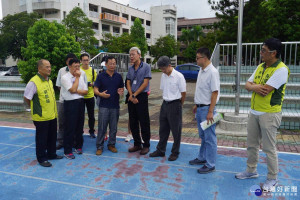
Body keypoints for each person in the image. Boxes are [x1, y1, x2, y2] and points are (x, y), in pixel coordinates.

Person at [235, 38, 289, 191]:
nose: (261, 53)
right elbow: (247, 84)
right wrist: (254, 87)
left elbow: (266, 90)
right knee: (251, 145)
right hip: (254, 112)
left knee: (269, 148)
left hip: (269, 114)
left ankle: (272, 178)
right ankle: (251, 170)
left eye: (264, 50)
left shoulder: (281, 69)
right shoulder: (260, 66)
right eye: (261, 49)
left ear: (274, 53)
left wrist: (253, 86)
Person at [24, 59, 63, 167]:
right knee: (42, 139)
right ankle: (41, 158)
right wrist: (35, 109)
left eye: (50, 66)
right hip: (41, 117)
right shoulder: (33, 82)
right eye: (47, 67)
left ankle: (51, 154)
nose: (49, 69)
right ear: (39, 68)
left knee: (52, 137)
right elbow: (27, 98)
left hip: (52, 115)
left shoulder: (49, 81)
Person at [189, 47, 220, 174]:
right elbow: (202, 90)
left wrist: (210, 111)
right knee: (203, 136)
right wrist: (197, 104)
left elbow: (214, 92)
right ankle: (202, 158)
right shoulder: (201, 71)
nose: (196, 60)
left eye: (197, 58)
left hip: (208, 109)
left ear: (205, 58)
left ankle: (210, 164)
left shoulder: (212, 72)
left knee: (210, 137)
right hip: (201, 108)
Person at [149, 56, 186, 161]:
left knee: (176, 130)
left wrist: (179, 105)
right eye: (161, 69)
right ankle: (161, 150)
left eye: (164, 68)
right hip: (164, 104)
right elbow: (164, 90)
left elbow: (183, 93)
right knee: (163, 129)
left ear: (170, 65)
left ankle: (175, 152)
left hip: (175, 104)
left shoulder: (179, 76)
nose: (162, 71)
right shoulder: (163, 76)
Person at [94, 56, 124, 155]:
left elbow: (121, 89)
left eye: (114, 63)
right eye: (110, 63)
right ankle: (99, 146)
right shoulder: (101, 76)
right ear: (106, 65)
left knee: (113, 127)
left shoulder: (119, 76)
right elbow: (95, 89)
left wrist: (121, 92)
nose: (112, 65)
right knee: (102, 127)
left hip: (115, 105)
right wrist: (100, 94)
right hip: (104, 106)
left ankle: (111, 144)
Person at [61, 58, 88, 159]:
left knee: (79, 126)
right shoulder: (65, 77)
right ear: (69, 67)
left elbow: (85, 91)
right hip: (70, 104)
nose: (77, 69)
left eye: (78, 66)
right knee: (69, 127)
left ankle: (78, 146)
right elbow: (72, 90)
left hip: (80, 103)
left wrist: (76, 90)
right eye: (75, 67)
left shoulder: (81, 76)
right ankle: (67, 150)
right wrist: (76, 79)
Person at [126, 47, 152, 155]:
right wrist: (131, 95)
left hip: (141, 96)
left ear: (139, 55)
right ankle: (137, 144)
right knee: (133, 121)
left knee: (144, 121)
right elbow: (127, 82)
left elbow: (145, 83)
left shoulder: (146, 67)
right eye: (130, 55)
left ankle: (146, 144)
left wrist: (134, 95)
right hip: (132, 96)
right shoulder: (130, 68)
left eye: (133, 54)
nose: (131, 57)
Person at [56, 53, 78, 150]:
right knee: (61, 122)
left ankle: (72, 141)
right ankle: (61, 141)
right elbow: (59, 85)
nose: (71, 62)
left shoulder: (78, 72)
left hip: (74, 101)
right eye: (69, 60)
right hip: (63, 101)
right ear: (66, 62)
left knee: (73, 122)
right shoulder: (61, 71)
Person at [80, 53, 97, 138]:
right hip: (80, 96)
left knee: (91, 115)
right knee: (80, 115)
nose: (86, 62)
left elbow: (96, 82)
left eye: (87, 60)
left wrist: (92, 84)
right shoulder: (78, 70)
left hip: (90, 96)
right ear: (81, 61)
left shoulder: (93, 70)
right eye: (84, 60)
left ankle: (92, 131)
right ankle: (80, 130)